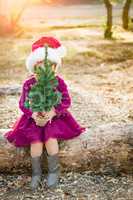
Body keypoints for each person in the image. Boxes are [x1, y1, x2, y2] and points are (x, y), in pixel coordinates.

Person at [4, 36, 86, 191]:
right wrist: (34, 114)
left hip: (54, 118)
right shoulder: (29, 83)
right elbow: (23, 103)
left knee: (50, 138)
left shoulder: (59, 82)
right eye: (42, 67)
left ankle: (54, 172)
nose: (47, 71)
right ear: (34, 67)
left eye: (51, 67)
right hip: (33, 118)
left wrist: (53, 112)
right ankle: (36, 173)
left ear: (55, 68)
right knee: (35, 142)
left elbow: (66, 100)